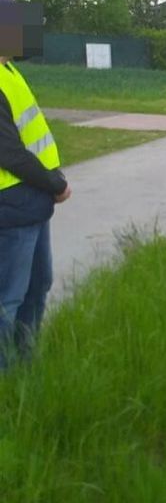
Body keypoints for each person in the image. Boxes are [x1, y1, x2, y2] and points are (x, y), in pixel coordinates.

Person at [0, 52, 69, 370]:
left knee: (37, 285)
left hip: (30, 203)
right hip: (11, 206)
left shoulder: (8, 69)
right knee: (8, 298)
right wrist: (54, 182)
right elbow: (9, 153)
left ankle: (25, 364)